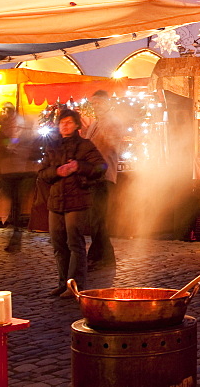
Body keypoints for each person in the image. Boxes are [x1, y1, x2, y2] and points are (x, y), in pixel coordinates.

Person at [38, 109, 105, 298]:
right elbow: (42, 173)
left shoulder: (85, 146)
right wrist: (57, 172)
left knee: (74, 242)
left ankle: (75, 285)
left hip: (77, 200)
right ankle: (62, 282)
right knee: (58, 244)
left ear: (76, 125)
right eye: (62, 123)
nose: (64, 126)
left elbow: (101, 167)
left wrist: (78, 166)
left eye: (68, 122)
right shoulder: (53, 146)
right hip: (56, 202)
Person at [82, 90, 125, 270]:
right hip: (92, 176)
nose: (96, 107)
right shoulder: (94, 124)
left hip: (104, 175)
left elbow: (112, 145)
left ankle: (99, 256)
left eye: (99, 103)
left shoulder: (112, 122)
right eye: (94, 103)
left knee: (98, 218)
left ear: (107, 103)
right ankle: (103, 256)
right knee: (95, 218)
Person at [0, 102, 33, 250]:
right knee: (13, 200)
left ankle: (16, 234)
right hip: (8, 169)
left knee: (16, 201)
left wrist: (2, 144)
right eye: (2, 111)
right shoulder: (5, 122)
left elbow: (14, 142)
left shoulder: (18, 124)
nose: (3, 113)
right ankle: (15, 230)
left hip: (18, 169)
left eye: (6, 111)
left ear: (11, 112)